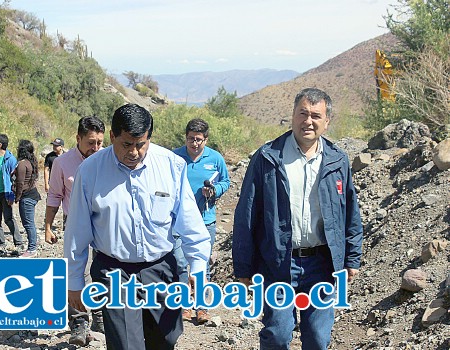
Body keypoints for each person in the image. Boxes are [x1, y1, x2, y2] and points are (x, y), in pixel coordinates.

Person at [64, 103, 211, 349]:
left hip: (161, 269)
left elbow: (190, 223)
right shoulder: (90, 171)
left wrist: (198, 266)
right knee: (126, 344)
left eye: (141, 144)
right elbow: (77, 231)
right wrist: (74, 281)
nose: (134, 152)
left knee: (165, 340)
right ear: (112, 136)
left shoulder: (171, 165)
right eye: (126, 145)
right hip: (114, 272)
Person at [232, 88, 363, 350]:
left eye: (316, 115)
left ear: (327, 122)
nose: (308, 121)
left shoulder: (337, 161)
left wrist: (351, 257)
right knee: (278, 335)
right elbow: (246, 215)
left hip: (323, 265)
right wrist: (243, 268)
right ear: (292, 116)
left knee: (317, 337)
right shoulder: (267, 158)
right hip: (278, 262)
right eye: (303, 113)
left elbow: (350, 212)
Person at [44, 116, 106, 345]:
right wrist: (48, 226)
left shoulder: (107, 159)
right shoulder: (62, 163)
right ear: (78, 138)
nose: (96, 148)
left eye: (99, 142)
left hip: (103, 222)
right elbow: (54, 196)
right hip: (73, 220)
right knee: (74, 271)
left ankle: (102, 318)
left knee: (103, 269)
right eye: (91, 142)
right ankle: (79, 323)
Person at [172, 118, 230, 324]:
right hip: (178, 221)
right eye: (190, 139)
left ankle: (202, 307)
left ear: (206, 140)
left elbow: (226, 182)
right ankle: (184, 305)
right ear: (185, 138)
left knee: (202, 264)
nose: (194, 144)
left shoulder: (215, 159)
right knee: (180, 264)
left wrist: (214, 191)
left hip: (205, 220)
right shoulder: (175, 157)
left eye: (198, 140)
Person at [14, 140, 41, 258]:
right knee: (30, 223)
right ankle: (33, 244)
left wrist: (17, 197)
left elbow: (20, 183)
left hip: (26, 197)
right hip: (32, 194)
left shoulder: (22, 164)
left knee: (28, 224)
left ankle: (32, 249)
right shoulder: (31, 162)